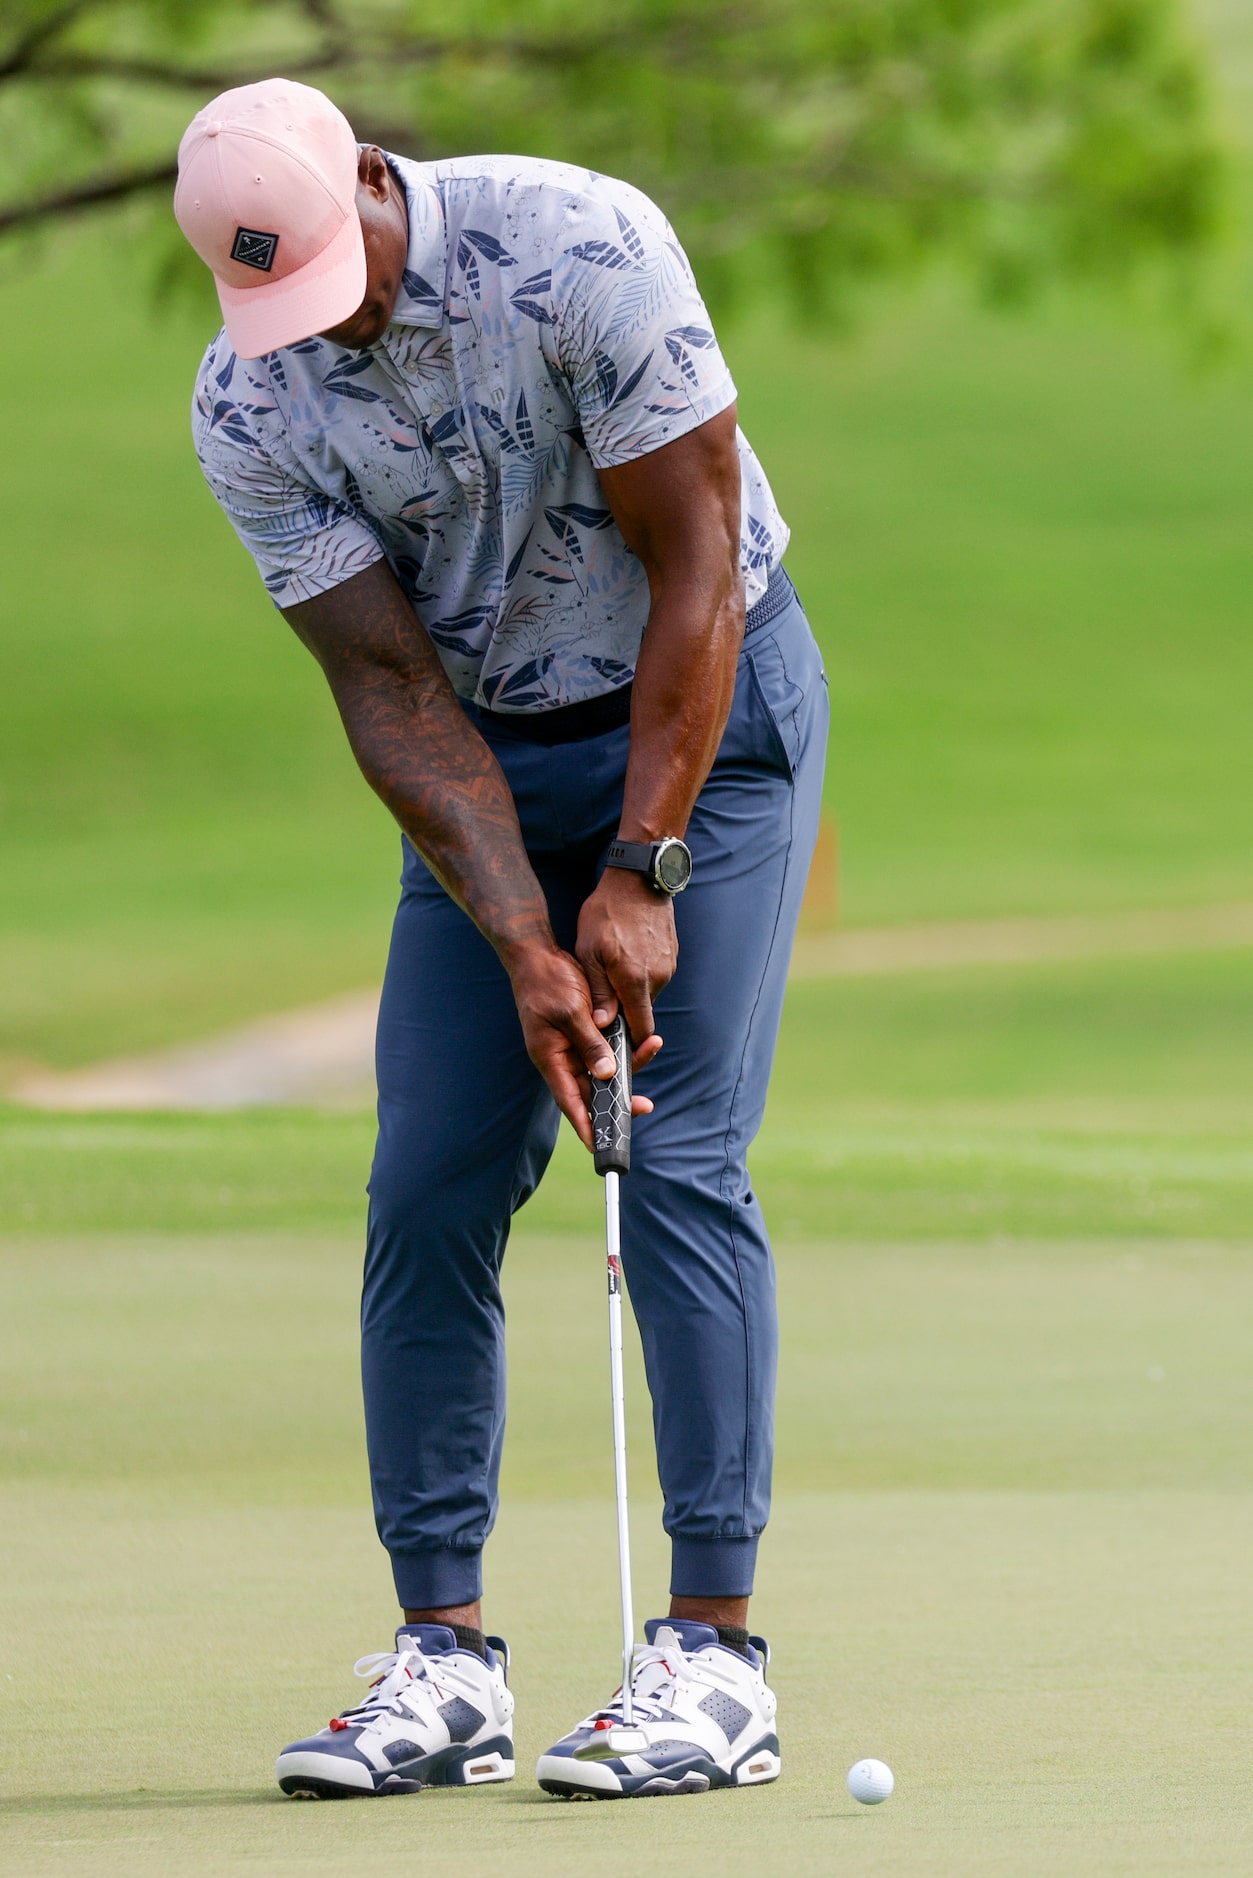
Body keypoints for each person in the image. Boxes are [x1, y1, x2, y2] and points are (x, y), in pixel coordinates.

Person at [175, 76, 827, 1801]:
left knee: (675, 1150)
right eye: (290, 305)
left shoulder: (582, 244)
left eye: (344, 270)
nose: (340, 321)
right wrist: (525, 932)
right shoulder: (248, 398)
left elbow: (693, 568)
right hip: (486, 756)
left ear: (376, 180)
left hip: (708, 718)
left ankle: (712, 1655)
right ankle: (442, 1658)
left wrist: (640, 871)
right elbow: (386, 688)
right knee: (431, 1180)